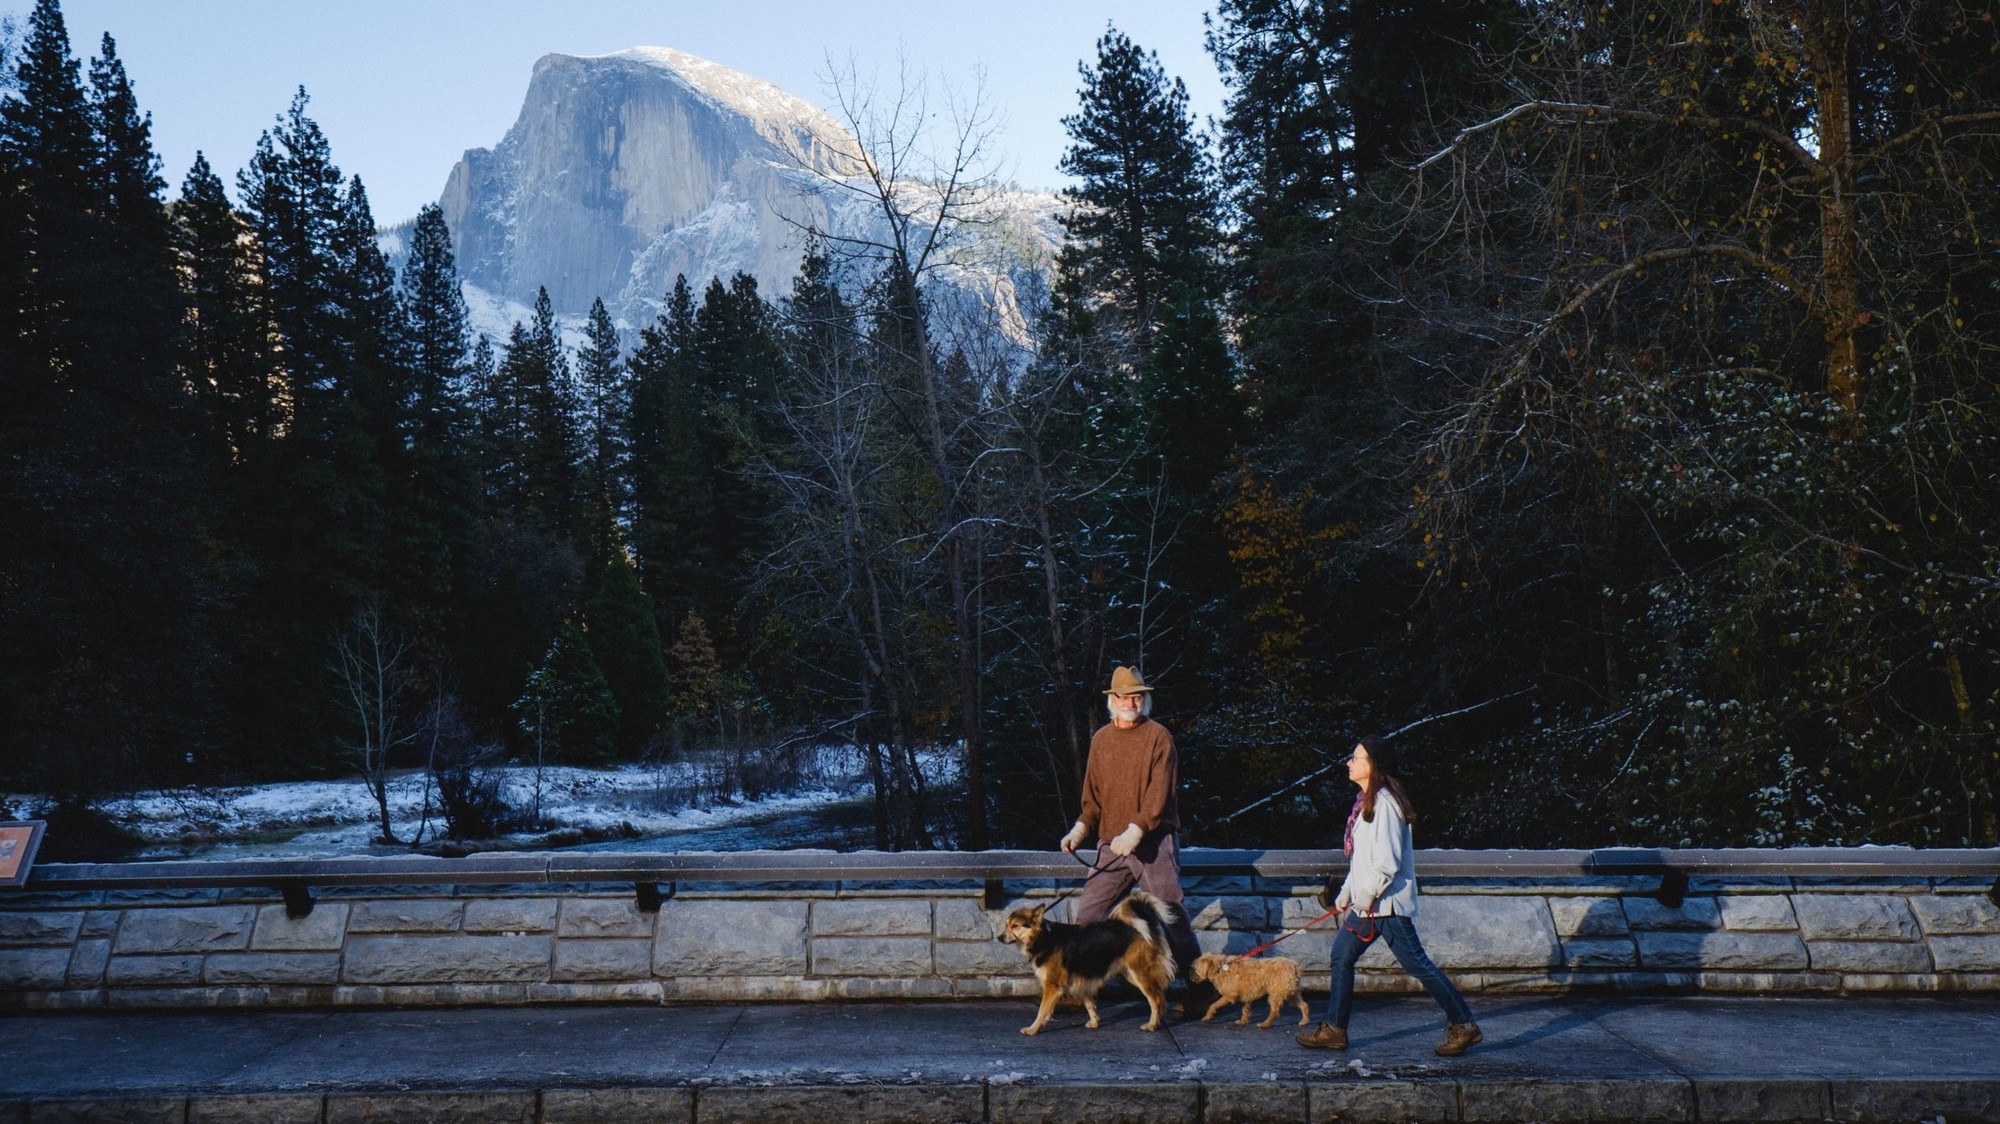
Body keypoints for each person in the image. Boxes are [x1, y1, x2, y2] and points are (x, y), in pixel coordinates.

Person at [1296, 736, 1482, 1057]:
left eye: (1356, 758)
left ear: (1374, 766)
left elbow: (1386, 863)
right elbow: (1363, 860)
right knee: (1342, 955)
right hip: (1371, 904)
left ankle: (1463, 1024)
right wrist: (1348, 892)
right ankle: (1335, 1030)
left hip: (1387, 905)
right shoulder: (1366, 803)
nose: (1349, 763)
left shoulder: (1384, 804)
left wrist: (1365, 896)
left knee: (1419, 965)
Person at [1059, 666, 1203, 983]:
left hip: (1153, 843)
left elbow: (1159, 795)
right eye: (1125, 696)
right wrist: (1080, 829)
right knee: (1089, 916)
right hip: (1112, 845)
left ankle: (1200, 988)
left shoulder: (1159, 737)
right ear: (1113, 700)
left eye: (1137, 696)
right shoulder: (1101, 740)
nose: (1131, 702)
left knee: (1170, 914)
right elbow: (1092, 795)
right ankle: (1078, 986)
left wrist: (1136, 830)